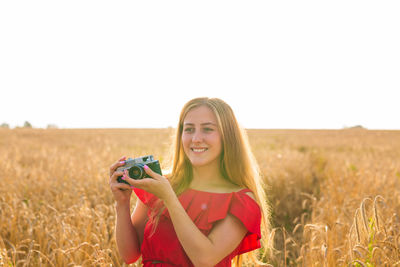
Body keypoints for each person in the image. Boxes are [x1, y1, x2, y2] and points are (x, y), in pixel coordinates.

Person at [109, 97, 270, 266]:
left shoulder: (241, 200)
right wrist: (122, 202)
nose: (196, 138)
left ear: (227, 136)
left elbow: (204, 259)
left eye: (207, 129)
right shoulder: (161, 184)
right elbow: (130, 255)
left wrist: (170, 199)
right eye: (189, 129)